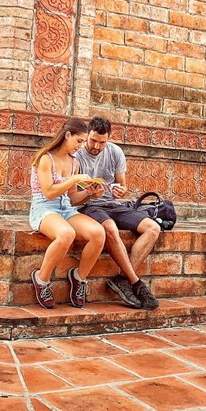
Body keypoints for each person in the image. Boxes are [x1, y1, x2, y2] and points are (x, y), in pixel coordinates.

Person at [71, 116, 161, 309]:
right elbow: (72, 198)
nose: (96, 146)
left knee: (153, 228)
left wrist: (120, 190)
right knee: (109, 228)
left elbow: (123, 185)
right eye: (93, 140)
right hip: (87, 206)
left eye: (101, 142)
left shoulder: (115, 152)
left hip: (112, 204)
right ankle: (136, 283)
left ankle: (122, 279)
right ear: (87, 136)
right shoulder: (76, 155)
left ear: (109, 138)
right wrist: (89, 193)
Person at [29, 117, 106, 309]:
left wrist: (90, 193)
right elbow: (48, 192)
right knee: (66, 234)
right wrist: (73, 180)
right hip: (44, 208)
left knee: (98, 233)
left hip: (66, 208)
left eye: (82, 142)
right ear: (67, 135)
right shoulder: (45, 158)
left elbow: (72, 199)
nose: (81, 146)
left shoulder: (74, 163)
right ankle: (42, 279)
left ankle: (79, 278)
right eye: (79, 141)